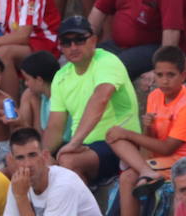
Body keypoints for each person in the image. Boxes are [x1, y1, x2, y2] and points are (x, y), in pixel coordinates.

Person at [108, 44, 186, 216]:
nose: (164, 80)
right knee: (115, 140)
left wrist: (130, 134)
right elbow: (151, 143)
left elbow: (167, 148)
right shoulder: (154, 96)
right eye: (159, 75)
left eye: (170, 75)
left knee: (126, 168)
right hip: (157, 161)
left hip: (182, 163)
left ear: (183, 75)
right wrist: (148, 128)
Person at [46, 15, 138, 185]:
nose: (73, 47)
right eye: (67, 42)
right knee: (31, 166)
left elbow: (100, 98)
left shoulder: (106, 61)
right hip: (85, 147)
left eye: (80, 40)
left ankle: (83, 211)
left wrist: (75, 143)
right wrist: (41, 155)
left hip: (119, 143)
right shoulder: (60, 76)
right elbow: (55, 127)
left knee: (68, 161)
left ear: (94, 40)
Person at [0, 0, 59, 97]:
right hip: (14, 40)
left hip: (43, 41)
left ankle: (10, 107)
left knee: (4, 53)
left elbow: (23, 35)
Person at [88, 0, 184, 82]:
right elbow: (98, 11)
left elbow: (172, 32)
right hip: (118, 45)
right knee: (84, 59)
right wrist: (84, 44)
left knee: (112, 67)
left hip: (154, 48)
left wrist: (161, 70)